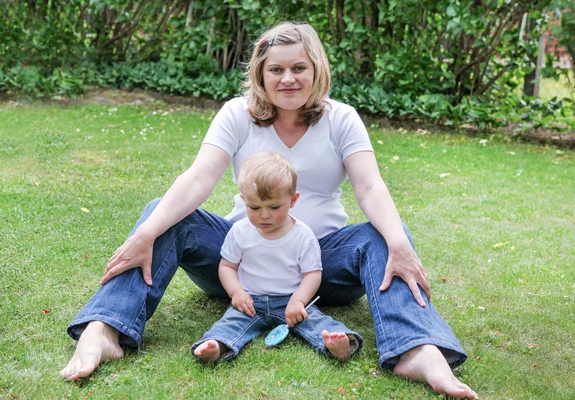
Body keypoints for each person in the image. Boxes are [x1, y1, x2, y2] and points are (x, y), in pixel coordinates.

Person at [60, 21, 478, 399]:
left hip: (320, 267)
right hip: (239, 264)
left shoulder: (342, 119)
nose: (288, 78)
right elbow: (198, 179)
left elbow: (369, 185)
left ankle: (416, 350)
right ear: (260, 74)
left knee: (387, 232)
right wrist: (145, 233)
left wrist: (399, 243)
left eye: (299, 67)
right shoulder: (236, 115)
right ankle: (105, 329)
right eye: (276, 69)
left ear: (317, 70)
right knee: (160, 215)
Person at [192, 151, 362, 362]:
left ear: (293, 200)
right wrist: (236, 292)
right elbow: (227, 266)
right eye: (254, 207)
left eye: (274, 207)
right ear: (243, 200)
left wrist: (299, 300)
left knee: (313, 320)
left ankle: (337, 342)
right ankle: (216, 346)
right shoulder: (239, 231)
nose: (264, 215)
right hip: (250, 301)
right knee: (231, 322)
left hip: (290, 301)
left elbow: (312, 274)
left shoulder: (302, 235)